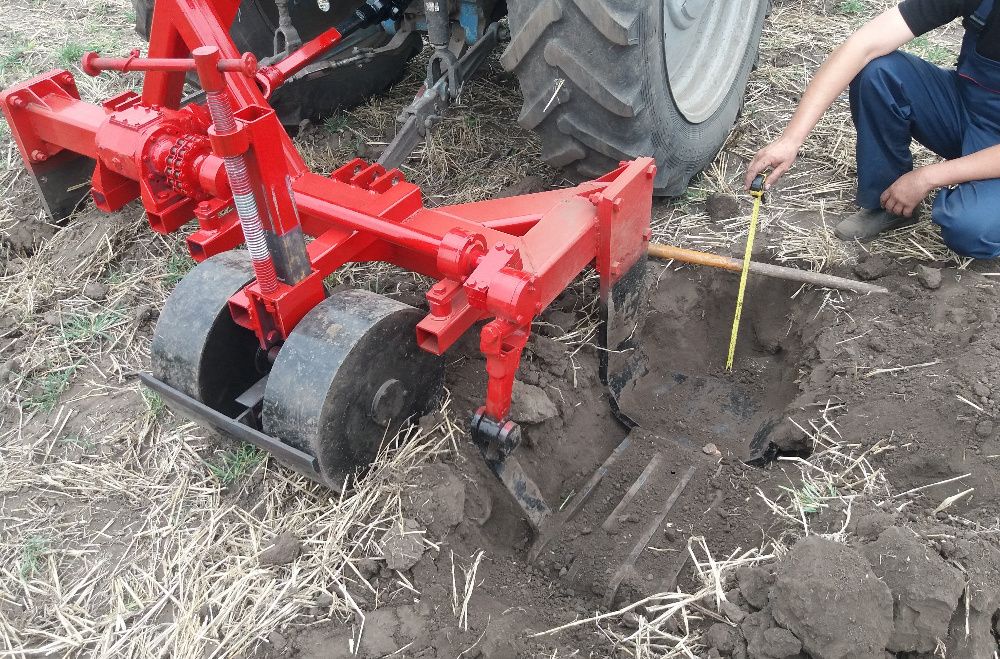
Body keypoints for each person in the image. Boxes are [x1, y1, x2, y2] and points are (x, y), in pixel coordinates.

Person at [745, 0, 1000, 258]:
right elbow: (863, 45)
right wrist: (791, 139)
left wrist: (927, 177)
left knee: (970, 229)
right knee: (878, 72)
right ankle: (890, 204)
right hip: (969, 109)